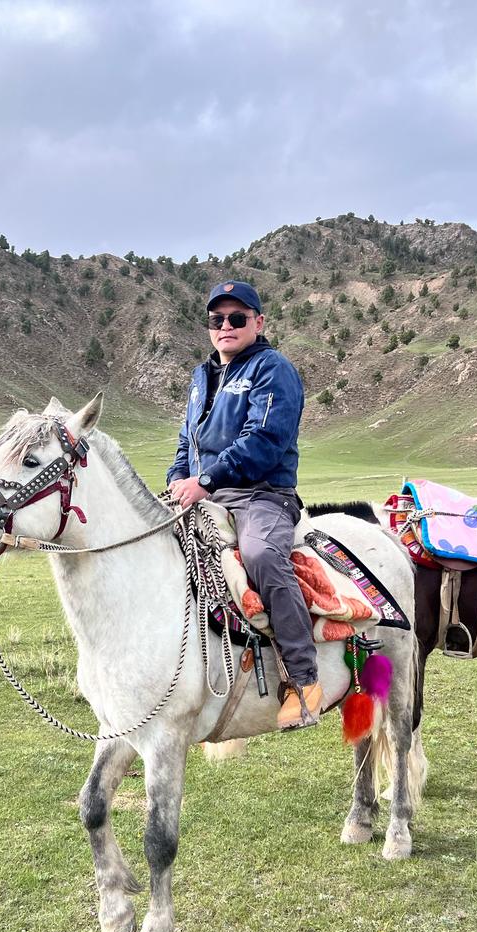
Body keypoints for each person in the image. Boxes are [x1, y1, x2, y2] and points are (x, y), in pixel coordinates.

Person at [167, 280, 322, 729]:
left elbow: (265, 441)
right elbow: (186, 442)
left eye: (237, 318)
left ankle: (304, 679)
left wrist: (207, 480)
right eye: (218, 320)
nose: (226, 327)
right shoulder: (202, 377)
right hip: (203, 492)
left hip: (261, 494)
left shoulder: (273, 369)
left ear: (259, 322)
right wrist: (179, 481)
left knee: (262, 557)